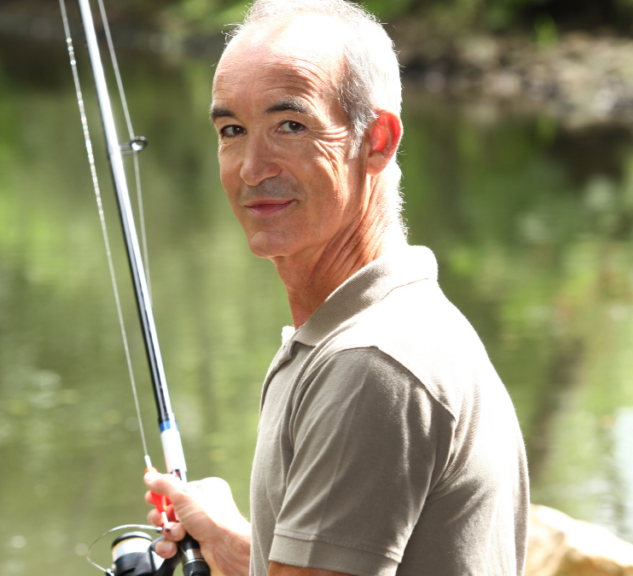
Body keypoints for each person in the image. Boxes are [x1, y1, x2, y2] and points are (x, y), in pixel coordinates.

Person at [143, 1, 530, 575]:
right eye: (232, 130)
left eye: (290, 125)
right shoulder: (383, 325)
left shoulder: (372, 363)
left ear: (376, 140)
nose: (252, 167)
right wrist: (237, 548)